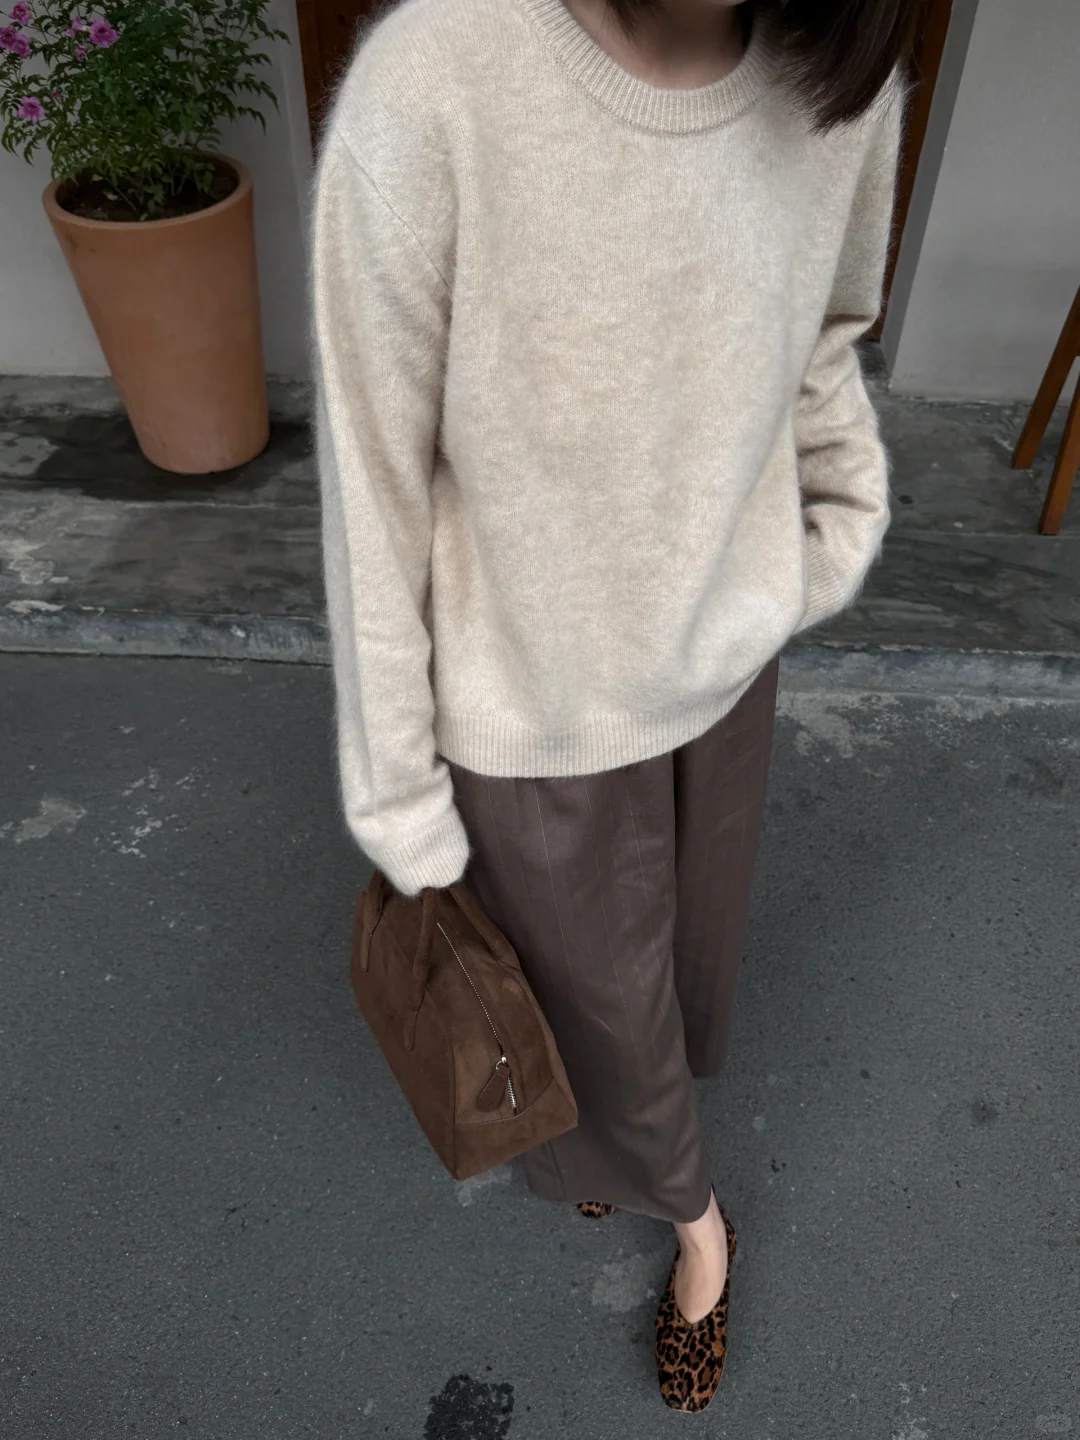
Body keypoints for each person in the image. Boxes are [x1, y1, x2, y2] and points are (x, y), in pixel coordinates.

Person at [310, 0, 912, 1413]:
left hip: (729, 664)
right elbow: (371, 472)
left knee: (675, 972)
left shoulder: (840, 73)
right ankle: (699, 1224)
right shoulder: (438, 78)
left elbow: (827, 329)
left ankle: (617, 1159)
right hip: (535, 695)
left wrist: (837, 518)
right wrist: (398, 790)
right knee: (603, 1003)